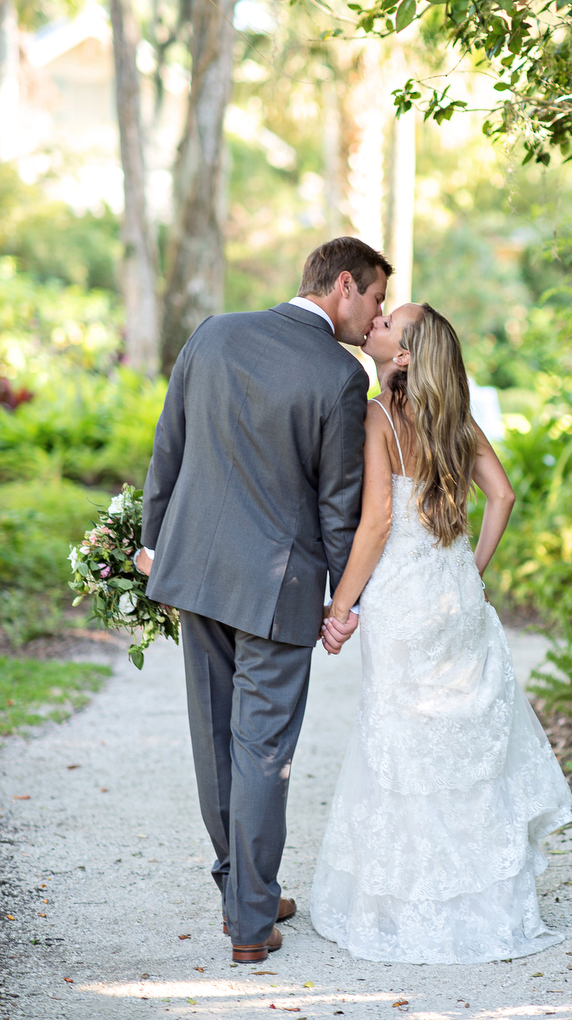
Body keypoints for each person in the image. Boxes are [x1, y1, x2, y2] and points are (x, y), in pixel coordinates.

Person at [135, 237, 392, 964]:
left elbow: (168, 448)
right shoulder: (338, 376)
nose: (373, 316)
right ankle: (251, 919)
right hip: (277, 589)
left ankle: (241, 886)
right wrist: (346, 602)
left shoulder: (214, 332)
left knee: (215, 742)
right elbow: (338, 504)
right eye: (373, 298)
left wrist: (154, 545)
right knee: (262, 750)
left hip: (195, 572)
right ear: (345, 284)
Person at [311, 303, 572, 964]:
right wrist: (472, 568)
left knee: (401, 743)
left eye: (387, 325)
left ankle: (408, 903)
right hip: (454, 591)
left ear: (402, 357)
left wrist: (340, 608)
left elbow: (374, 525)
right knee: (462, 749)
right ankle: (481, 900)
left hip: (401, 597)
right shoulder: (456, 420)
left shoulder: (375, 418)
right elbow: (503, 497)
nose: (373, 324)